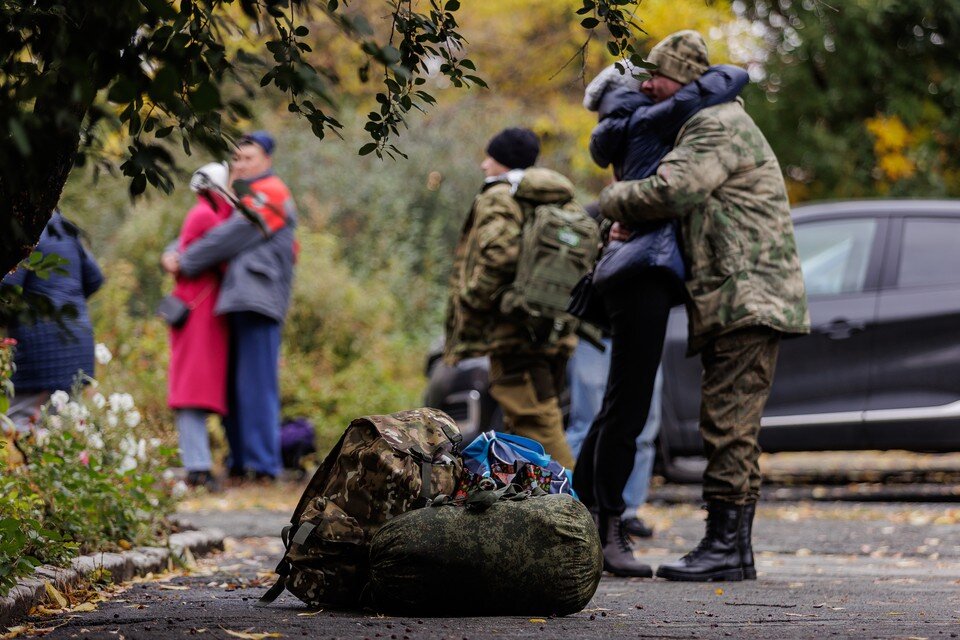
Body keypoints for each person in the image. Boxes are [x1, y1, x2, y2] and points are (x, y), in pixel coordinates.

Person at [599, 30, 810, 581]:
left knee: (729, 422)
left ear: (687, 81)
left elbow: (671, 190)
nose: (648, 84)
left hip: (745, 293)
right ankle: (727, 548)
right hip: (737, 292)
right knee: (728, 419)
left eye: (660, 76)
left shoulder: (714, 125)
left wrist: (609, 201)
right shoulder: (719, 120)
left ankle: (727, 548)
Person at [573, 57, 750, 577]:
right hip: (642, 274)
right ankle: (608, 531)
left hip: (632, 274)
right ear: (631, 93)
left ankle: (587, 519)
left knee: (617, 406)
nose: (655, 86)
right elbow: (731, 78)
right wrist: (697, 74)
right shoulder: (646, 121)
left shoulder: (625, 125)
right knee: (626, 408)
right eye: (645, 81)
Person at [163, 131, 298, 482]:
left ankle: (264, 467)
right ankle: (241, 461)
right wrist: (175, 250)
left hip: (258, 299)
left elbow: (230, 235)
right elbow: (210, 222)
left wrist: (184, 259)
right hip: (236, 301)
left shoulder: (272, 193)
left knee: (256, 386)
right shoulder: (244, 196)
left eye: (248, 158)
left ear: (266, 160)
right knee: (237, 388)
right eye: (236, 159)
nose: (240, 165)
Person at [443, 127, 578, 469]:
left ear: (503, 162)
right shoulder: (548, 197)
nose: (484, 164)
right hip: (549, 324)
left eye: (490, 157)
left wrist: (473, 298)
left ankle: (575, 509)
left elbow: (500, 255)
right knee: (525, 426)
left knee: (536, 423)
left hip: (515, 332)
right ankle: (538, 512)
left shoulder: (500, 195)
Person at [2, 211, 104, 430]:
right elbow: (95, 278)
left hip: (37, 348)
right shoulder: (63, 227)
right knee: (63, 425)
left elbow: (7, 290)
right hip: (77, 338)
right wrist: (69, 301)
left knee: (19, 421)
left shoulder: (25, 228)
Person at [166, 162, 234, 489]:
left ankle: (198, 462)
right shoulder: (207, 215)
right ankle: (198, 466)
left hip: (198, 307)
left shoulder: (203, 213)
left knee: (195, 387)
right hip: (199, 310)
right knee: (193, 390)